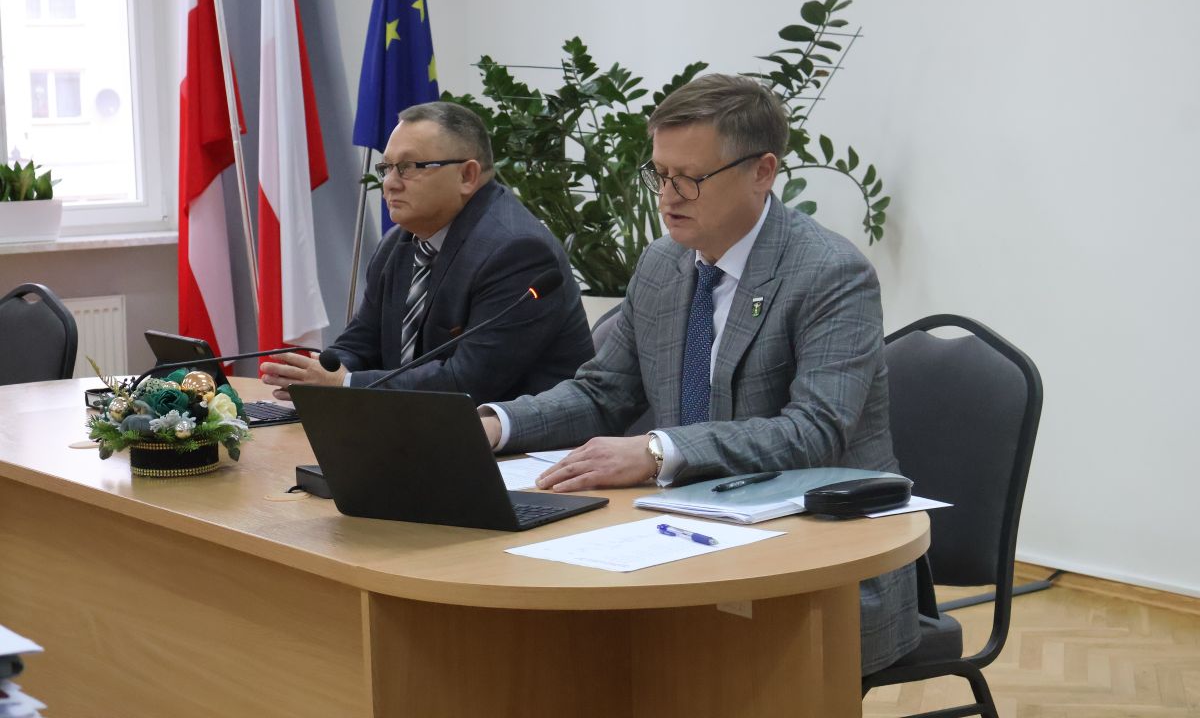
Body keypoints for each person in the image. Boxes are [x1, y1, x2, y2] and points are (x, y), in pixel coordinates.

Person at [479, 74, 918, 674]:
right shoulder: (663, 263)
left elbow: (815, 431)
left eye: (690, 177)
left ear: (762, 171)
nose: (668, 196)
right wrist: (493, 425)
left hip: (818, 557)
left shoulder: (829, 272)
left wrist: (657, 451)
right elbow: (604, 392)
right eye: (659, 174)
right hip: (678, 531)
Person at [261, 101, 593, 402]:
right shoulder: (399, 243)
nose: (390, 183)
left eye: (408, 167)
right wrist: (318, 373)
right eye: (387, 167)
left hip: (518, 442)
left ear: (467, 175)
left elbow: (468, 381)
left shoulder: (517, 252)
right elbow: (361, 342)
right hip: (418, 429)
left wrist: (344, 384)